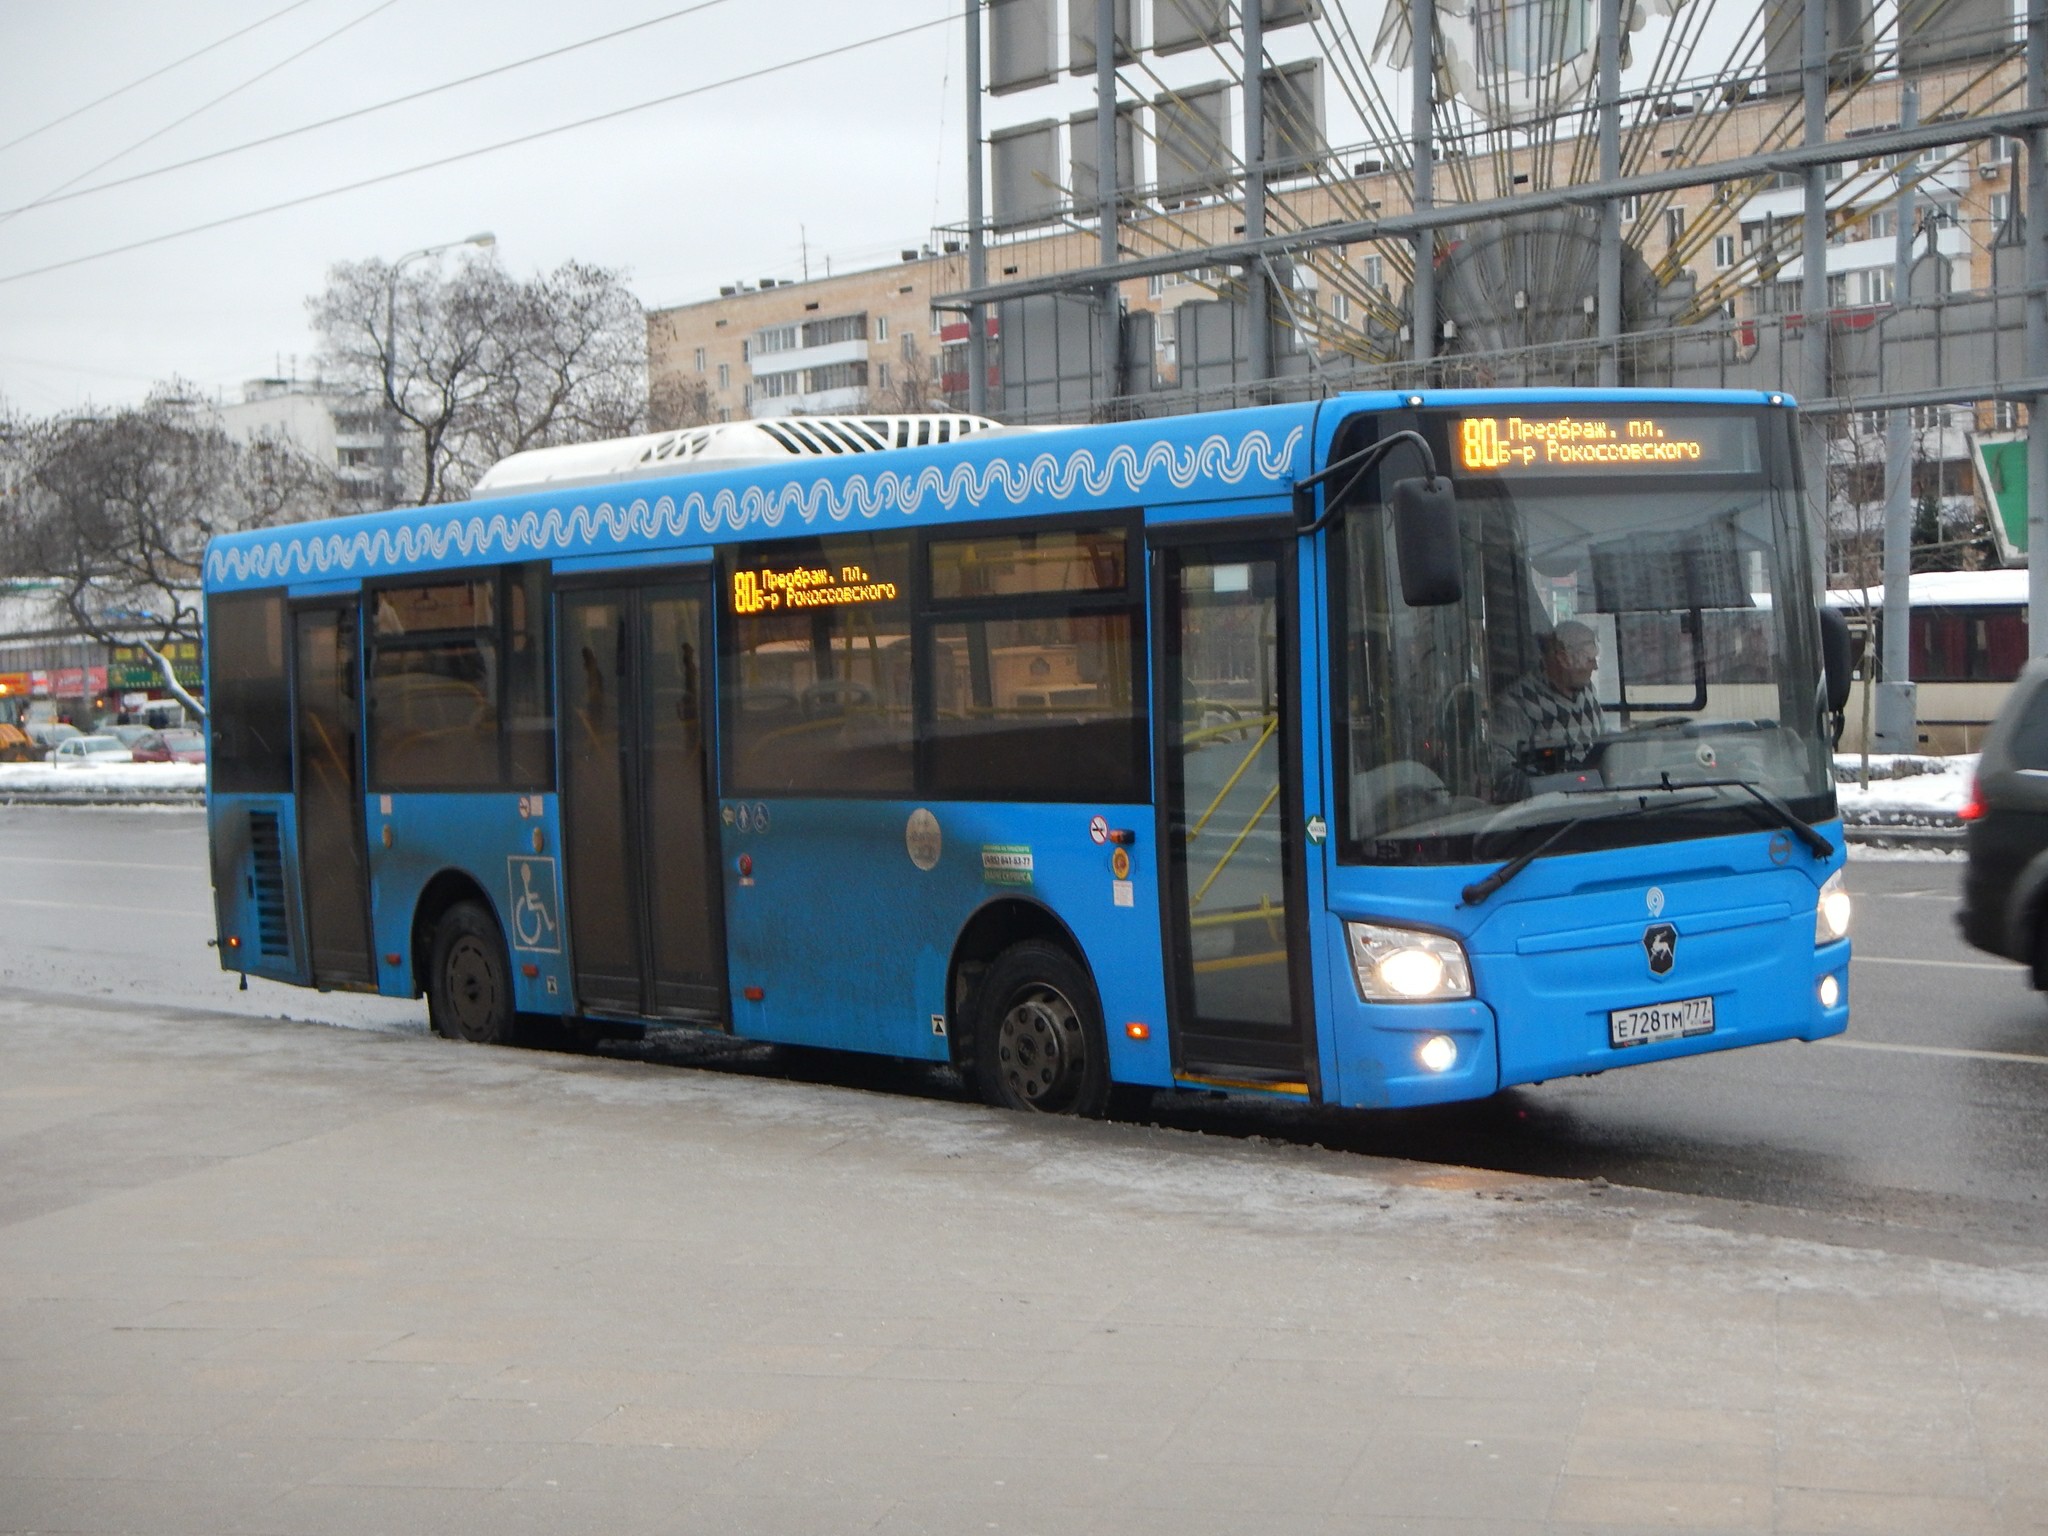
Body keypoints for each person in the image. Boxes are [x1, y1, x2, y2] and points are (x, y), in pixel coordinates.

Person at [1488, 619, 1606, 797]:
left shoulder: (1588, 690)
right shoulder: (1517, 703)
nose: (1595, 667)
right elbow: (1498, 764)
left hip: (1591, 801)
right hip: (1548, 811)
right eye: (1589, 659)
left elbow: (1601, 739)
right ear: (1563, 659)